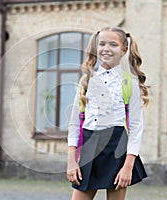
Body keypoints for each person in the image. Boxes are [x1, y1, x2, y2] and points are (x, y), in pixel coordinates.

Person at [66, 26, 149, 200]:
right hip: (89, 147)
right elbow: (74, 123)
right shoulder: (87, 80)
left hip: (117, 148)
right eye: (102, 44)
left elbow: (135, 127)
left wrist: (128, 167)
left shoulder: (129, 83)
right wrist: (71, 160)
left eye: (113, 44)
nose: (106, 49)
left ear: (124, 49)